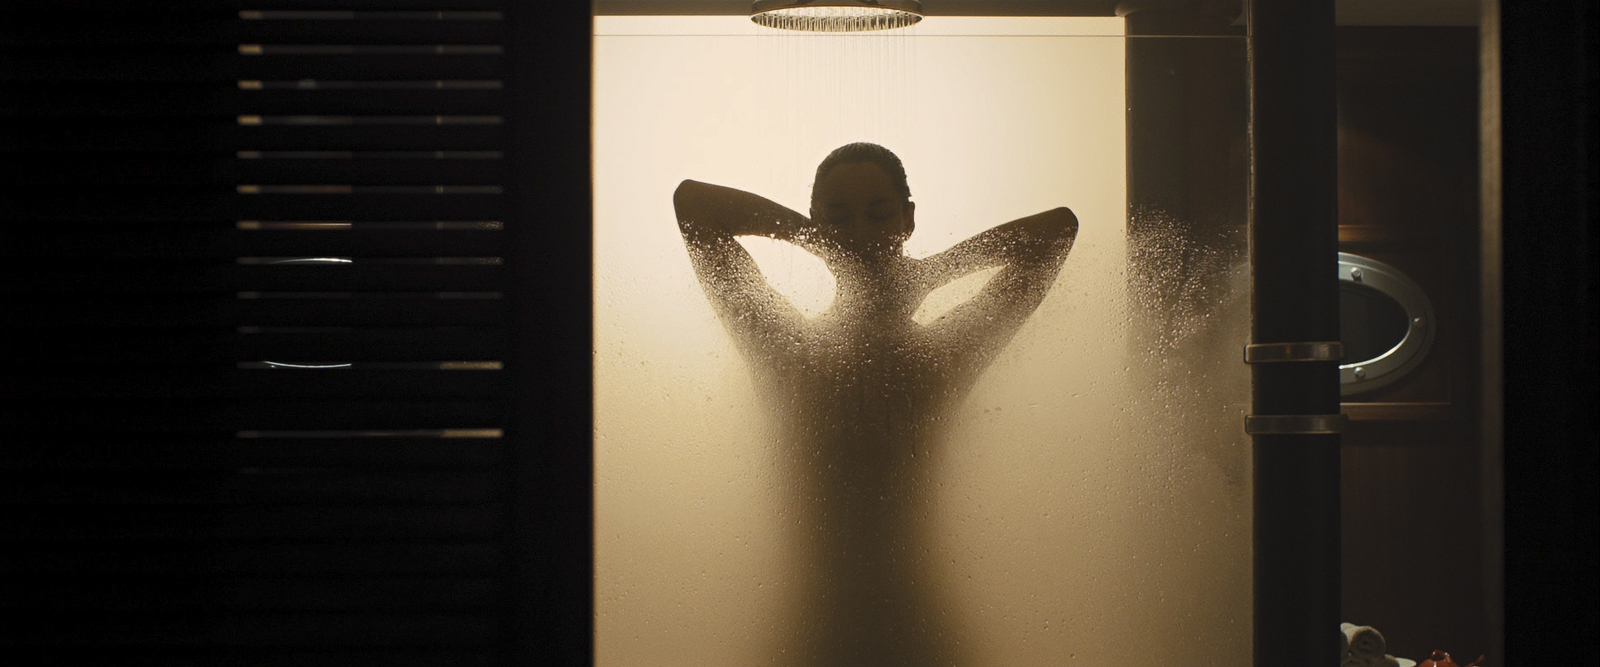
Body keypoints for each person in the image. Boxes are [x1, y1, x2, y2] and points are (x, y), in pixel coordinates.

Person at [674, 143, 1077, 667]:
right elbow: (694, 207)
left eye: (879, 214)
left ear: (908, 219)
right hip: (807, 630)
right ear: (817, 223)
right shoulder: (784, 351)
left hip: (921, 629)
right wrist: (814, 239)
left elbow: (1056, 232)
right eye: (839, 218)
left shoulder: (941, 360)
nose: (861, 234)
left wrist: (933, 273)